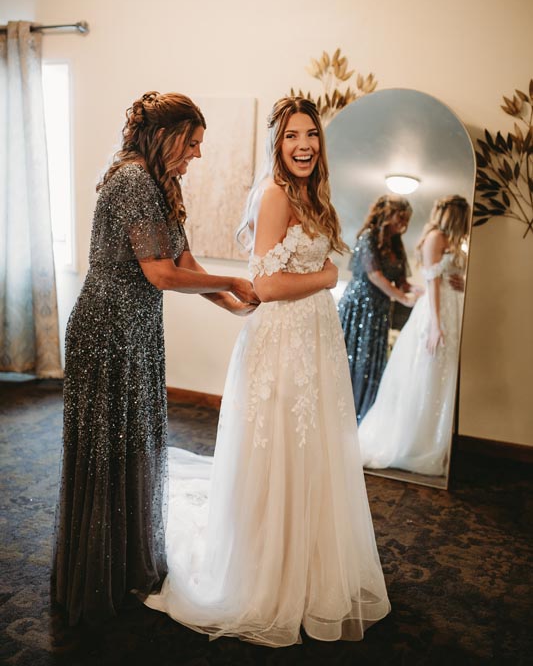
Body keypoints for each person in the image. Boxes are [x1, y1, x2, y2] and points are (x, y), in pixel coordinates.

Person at [144, 96, 390, 646]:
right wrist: (328, 277)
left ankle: (312, 568)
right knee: (280, 449)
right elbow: (266, 284)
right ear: (277, 146)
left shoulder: (312, 192)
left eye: (311, 135)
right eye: (291, 136)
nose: (303, 145)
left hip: (316, 339)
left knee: (314, 451)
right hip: (281, 342)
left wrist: (325, 276)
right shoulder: (276, 194)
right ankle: (267, 573)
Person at [52, 91, 258, 626]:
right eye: (192, 143)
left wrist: (232, 305)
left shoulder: (161, 184)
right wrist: (233, 279)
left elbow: (183, 261)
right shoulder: (131, 179)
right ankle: (101, 572)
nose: (196, 154)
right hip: (106, 327)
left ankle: (122, 563)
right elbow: (162, 275)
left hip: (137, 327)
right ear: (166, 136)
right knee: (107, 449)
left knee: (133, 443)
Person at [358, 195, 470, 476]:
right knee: (426, 371)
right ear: (456, 216)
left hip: (451, 307)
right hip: (436, 312)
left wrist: (462, 283)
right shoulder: (435, 237)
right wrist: (435, 323)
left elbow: (444, 278)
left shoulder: (453, 242)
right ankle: (413, 444)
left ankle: (433, 439)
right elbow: (433, 283)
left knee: (441, 373)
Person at [337, 195, 418, 422]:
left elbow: (402, 282)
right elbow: (375, 275)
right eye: (400, 218)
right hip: (359, 308)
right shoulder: (368, 237)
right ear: (387, 215)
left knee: (371, 364)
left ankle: (362, 420)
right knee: (353, 361)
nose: (403, 224)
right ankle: (341, 418)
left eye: (406, 220)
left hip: (380, 312)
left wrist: (422, 292)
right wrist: (403, 299)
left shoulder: (397, 245)